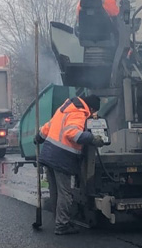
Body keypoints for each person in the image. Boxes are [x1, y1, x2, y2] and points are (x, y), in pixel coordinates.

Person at [35, 93, 101, 235]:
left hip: (49, 154)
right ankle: (62, 225)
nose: (93, 115)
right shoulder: (79, 112)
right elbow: (72, 133)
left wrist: (39, 136)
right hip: (62, 157)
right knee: (65, 193)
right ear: (91, 108)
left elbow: (49, 126)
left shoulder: (65, 108)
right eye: (94, 111)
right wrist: (91, 137)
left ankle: (58, 220)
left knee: (55, 192)